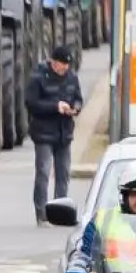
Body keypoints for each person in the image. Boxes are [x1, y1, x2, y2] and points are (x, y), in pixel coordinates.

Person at [24, 45, 86, 225]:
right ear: (53, 62)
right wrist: (55, 107)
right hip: (43, 132)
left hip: (64, 132)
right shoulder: (38, 78)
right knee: (43, 172)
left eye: (67, 65)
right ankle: (42, 213)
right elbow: (32, 103)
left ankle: (60, 211)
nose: (64, 68)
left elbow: (78, 98)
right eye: (61, 64)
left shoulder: (72, 78)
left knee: (63, 173)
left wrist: (75, 108)